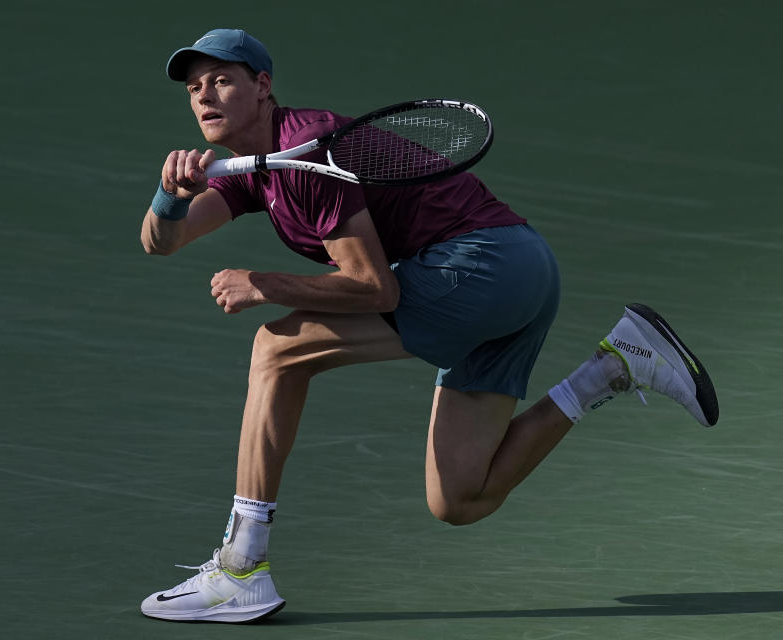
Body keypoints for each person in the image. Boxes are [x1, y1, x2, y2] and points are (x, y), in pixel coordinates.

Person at [138, 28, 719, 623]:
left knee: (277, 347)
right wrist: (169, 196)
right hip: (517, 270)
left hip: (484, 267)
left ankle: (242, 565)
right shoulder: (253, 166)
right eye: (194, 87)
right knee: (462, 497)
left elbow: (373, 288)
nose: (205, 95)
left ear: (262, 87)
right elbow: (163, 242)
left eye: (222, 80)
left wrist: (265, 285)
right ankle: (614, 366)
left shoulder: (308, 153)